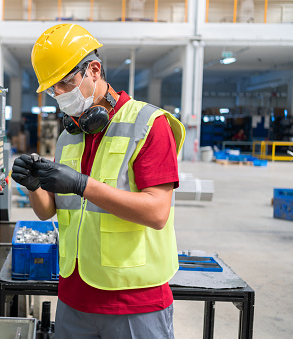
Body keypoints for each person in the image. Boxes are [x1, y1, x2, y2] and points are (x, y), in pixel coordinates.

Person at [12, 23, 186, 339]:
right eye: (54, 89)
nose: (60, 95)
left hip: (134, 304)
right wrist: (33, 184)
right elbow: (48, 211)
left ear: (94, 70)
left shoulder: (149, 124)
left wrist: (81, 184)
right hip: (74, 298)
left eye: (66, 83)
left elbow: (158, 212)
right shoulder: (69, 137)